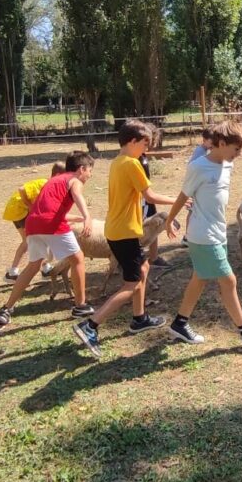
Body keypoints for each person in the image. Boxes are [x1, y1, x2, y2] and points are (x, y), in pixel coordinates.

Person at [72, 121, 180, 357]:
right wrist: (179, 200)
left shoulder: (117, 161)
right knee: (131, 285)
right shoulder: (132, 164)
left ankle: (139, 318)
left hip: (118, 230)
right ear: (132, 141)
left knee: (143, 266)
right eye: (144, 144)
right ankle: (90, 326)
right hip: (124, 233)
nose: (147, 149)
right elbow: (149, 195)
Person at [163, 121, 242, 348]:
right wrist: (170, 219)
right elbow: (184, 196)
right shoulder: (198, 167)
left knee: (200, 278)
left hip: (218, 231)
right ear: (221, 144)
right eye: (236, 149)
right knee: (228, 280)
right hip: (203, 235)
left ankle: (180, 323)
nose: (239, 154)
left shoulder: (227, 164)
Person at [0, 151, 95, 327]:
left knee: (33, 265)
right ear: (82, 168)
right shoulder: (74, 180)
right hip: (50, 224)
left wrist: (73, 218)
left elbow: (48, 207)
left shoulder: (54, 181)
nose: (90, 175)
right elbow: (77, 195)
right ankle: (81, 305)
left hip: (33, 224)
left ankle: (6, 308)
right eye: (90, 171)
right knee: (78, 258)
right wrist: (87, 216)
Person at [1, 163, 66, 281]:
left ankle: (14, 272)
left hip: (16, 211)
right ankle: (43, 269)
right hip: (19, 210)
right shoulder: (45, 183)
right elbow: (21, 189)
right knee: (39, 238)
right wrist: (30, 206)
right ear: (57, 175)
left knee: (28, 241)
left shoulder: (51, 186)